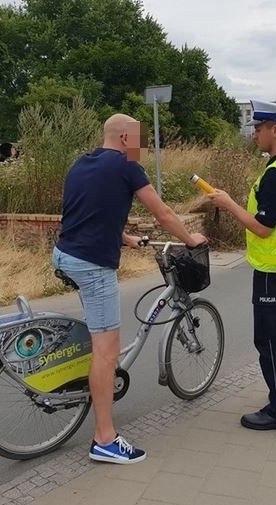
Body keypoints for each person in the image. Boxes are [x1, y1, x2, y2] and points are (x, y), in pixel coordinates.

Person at [52, 114, 207, 463]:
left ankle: (86, 377)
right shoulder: (126, 165)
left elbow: (84, 214)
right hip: (92, 265)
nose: (142, 148)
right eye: (139, 141)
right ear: (124, 138)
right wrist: (190, 239)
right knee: (107, 352)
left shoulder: (82, 162)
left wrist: (125, 238)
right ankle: (105, 439)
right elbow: (164, 214)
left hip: (64, 255)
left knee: (98, 338)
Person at [208, 100, 276, 431]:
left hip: (273, 268)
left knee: (270, 339)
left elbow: (263, 226)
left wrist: (228, 204)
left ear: (275, 130)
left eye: (258, 128)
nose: (254, 135)